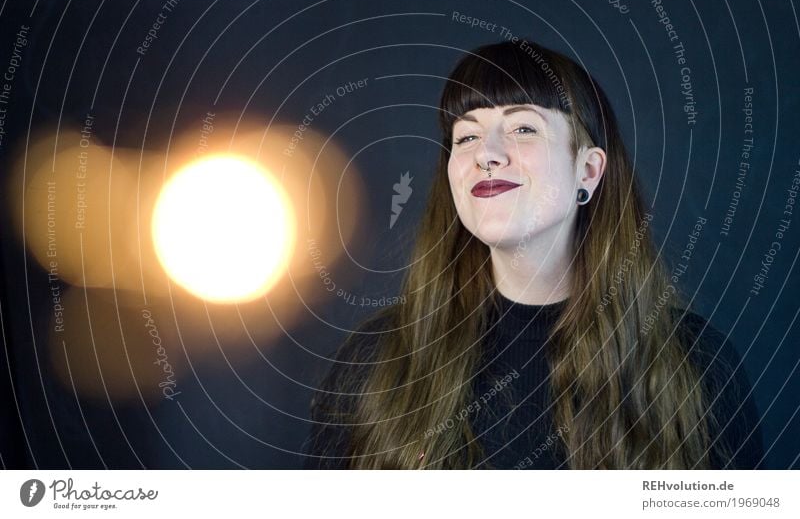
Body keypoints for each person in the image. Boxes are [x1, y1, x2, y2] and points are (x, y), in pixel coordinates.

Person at [302, 39, 764, 469]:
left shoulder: (697, 365)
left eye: (524, 128)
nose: (488, 154)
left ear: (587, 170)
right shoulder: (374, 363)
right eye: (466, 136)